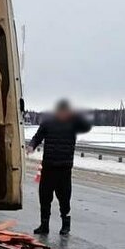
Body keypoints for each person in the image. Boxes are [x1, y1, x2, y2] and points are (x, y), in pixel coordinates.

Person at [27, 99, 92, 235]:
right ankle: (44, 225)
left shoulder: (74, 124)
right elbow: (37, 136)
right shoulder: (48, 122)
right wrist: (32, 145)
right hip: (49, 167)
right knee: (44, 198)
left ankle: (65, 225)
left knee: (64, 199)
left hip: (64, 168)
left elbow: (86, 126)